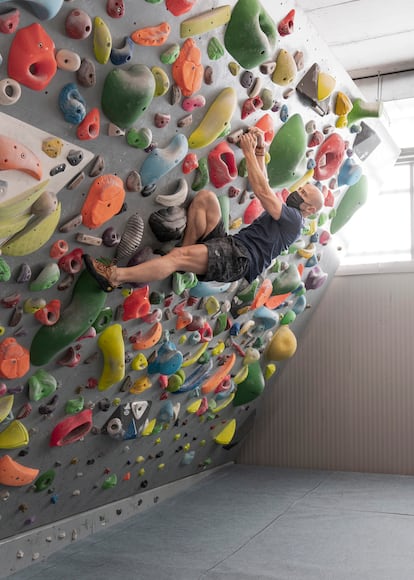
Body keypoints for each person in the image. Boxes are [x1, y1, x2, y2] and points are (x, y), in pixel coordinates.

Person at [83, 129, 324, 292]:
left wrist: (248, 152)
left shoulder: (294, 219)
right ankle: (184, 257)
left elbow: (262, 191)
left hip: (238, 259)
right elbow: (266, 186)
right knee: (207, 199)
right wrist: (260, 151)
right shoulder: (289, 217)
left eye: (302, 195)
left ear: (310, 209)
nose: (297, 193)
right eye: (301, 189)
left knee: (176, 259)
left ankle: (115, 277)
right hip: (232, 245)